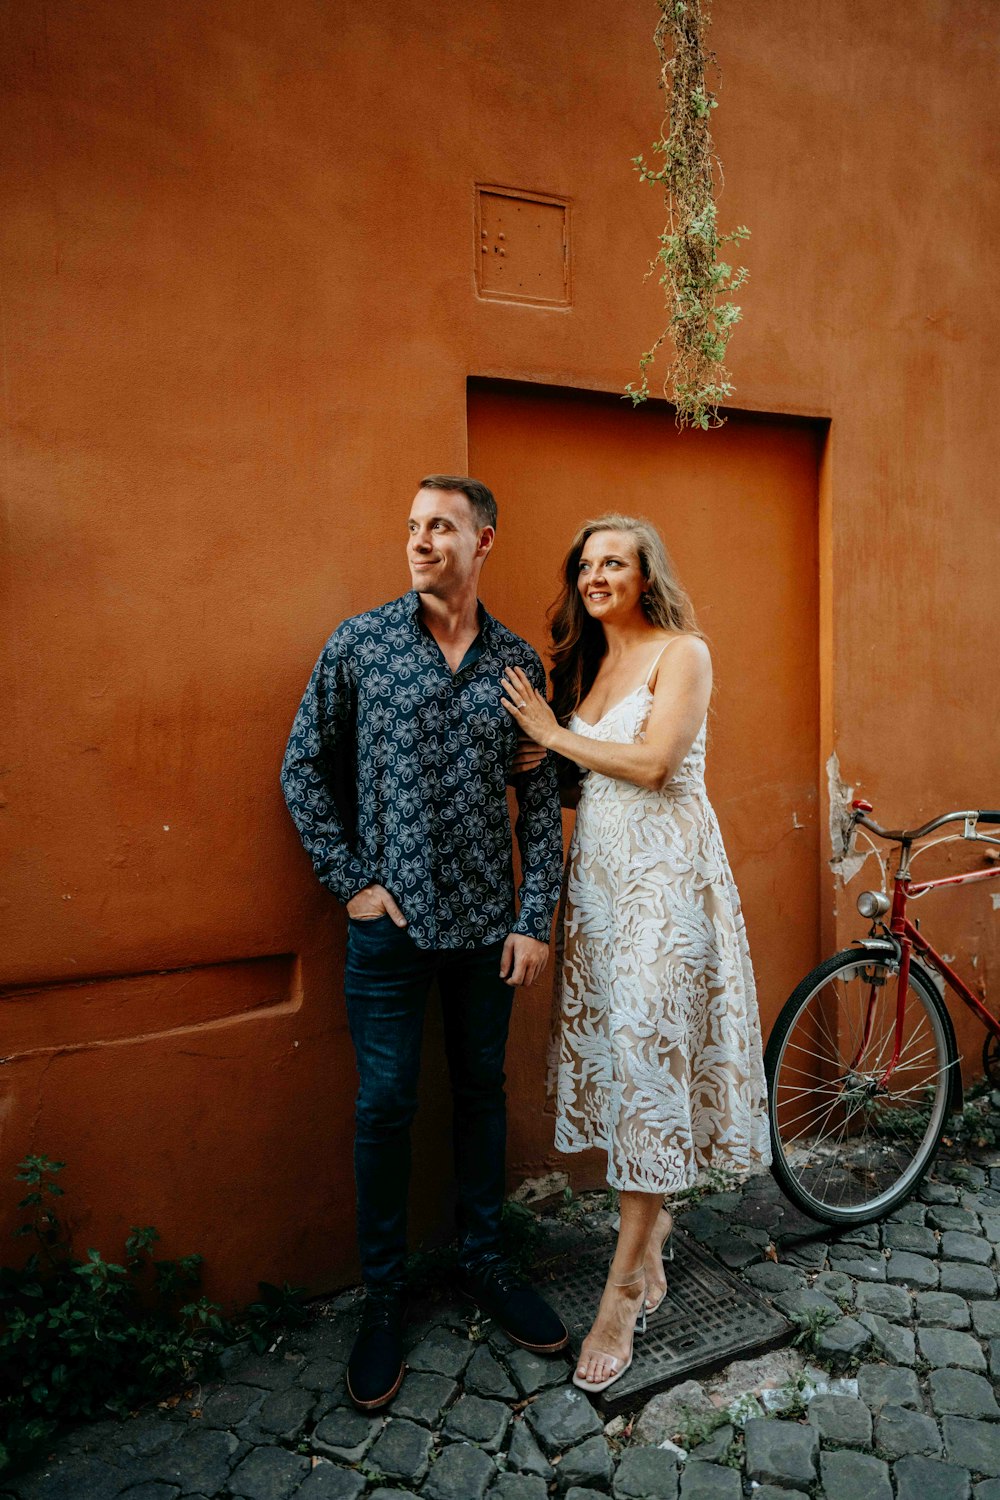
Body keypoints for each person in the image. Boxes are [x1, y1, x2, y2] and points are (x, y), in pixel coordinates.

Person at [281, 475, 569, 1412]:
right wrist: (352, 883)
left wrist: (535, 921)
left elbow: (542, 799)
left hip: (489, 932)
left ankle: (485, 1260)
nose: (420, 540)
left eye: (440, 526)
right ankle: (383, 1299)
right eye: (412, 526)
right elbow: (302, 770)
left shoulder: (516, 665)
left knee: (481, 1095)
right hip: (392, 935)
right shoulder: (360, 647)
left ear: (485, 539)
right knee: (387, 1105)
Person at [501, 512, 770, 1394]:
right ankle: (649, 1242)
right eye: (585, 564)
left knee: (650, 1067)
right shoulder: (590, 663)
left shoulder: (680, 651)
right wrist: (532, 754)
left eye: (613, 562)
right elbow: (583, 770)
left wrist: (551, 735)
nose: (595, 575)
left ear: (647, 574)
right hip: (604, 890)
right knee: (623, 1063)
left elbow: (655, 764)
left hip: (666, 886)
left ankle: (619, 1299)